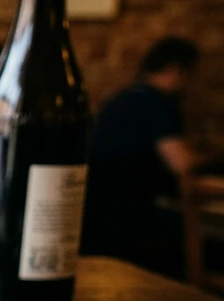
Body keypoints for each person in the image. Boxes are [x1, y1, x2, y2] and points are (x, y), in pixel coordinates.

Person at [83, 37, 200, 278]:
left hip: (95, 216)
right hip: (131, 219)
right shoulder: (158, 104)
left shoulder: (121, 98)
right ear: (175, 70)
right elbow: (182, 163)